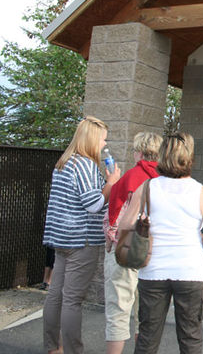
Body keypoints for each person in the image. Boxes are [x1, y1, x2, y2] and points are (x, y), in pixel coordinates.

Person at [118, 133, 203, 354]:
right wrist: (198, 237)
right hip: (191, 270)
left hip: (153, 270)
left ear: (162, 157)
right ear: (190, 158)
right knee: (190, 337)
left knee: (147, 337)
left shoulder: (147, 188)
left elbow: (124, 226)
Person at [42, 116, 121, 354]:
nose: (103, 146)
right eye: (102, 141)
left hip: (61, 237)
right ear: (91, 139)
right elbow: (94, 204)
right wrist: (111, 183)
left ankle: (53, 347)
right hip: (81, 239)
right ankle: (73, 350)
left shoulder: (64, 162)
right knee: (72, 300)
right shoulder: (85, 165)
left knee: (56, 294)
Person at [103, 132, 162, 354]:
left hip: (125, 251)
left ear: (138, 151)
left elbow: (114, 218)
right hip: (152, 254)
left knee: (118, 310)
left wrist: (110, 243)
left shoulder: (129, 177)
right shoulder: (164, 181)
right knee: (144, 315)